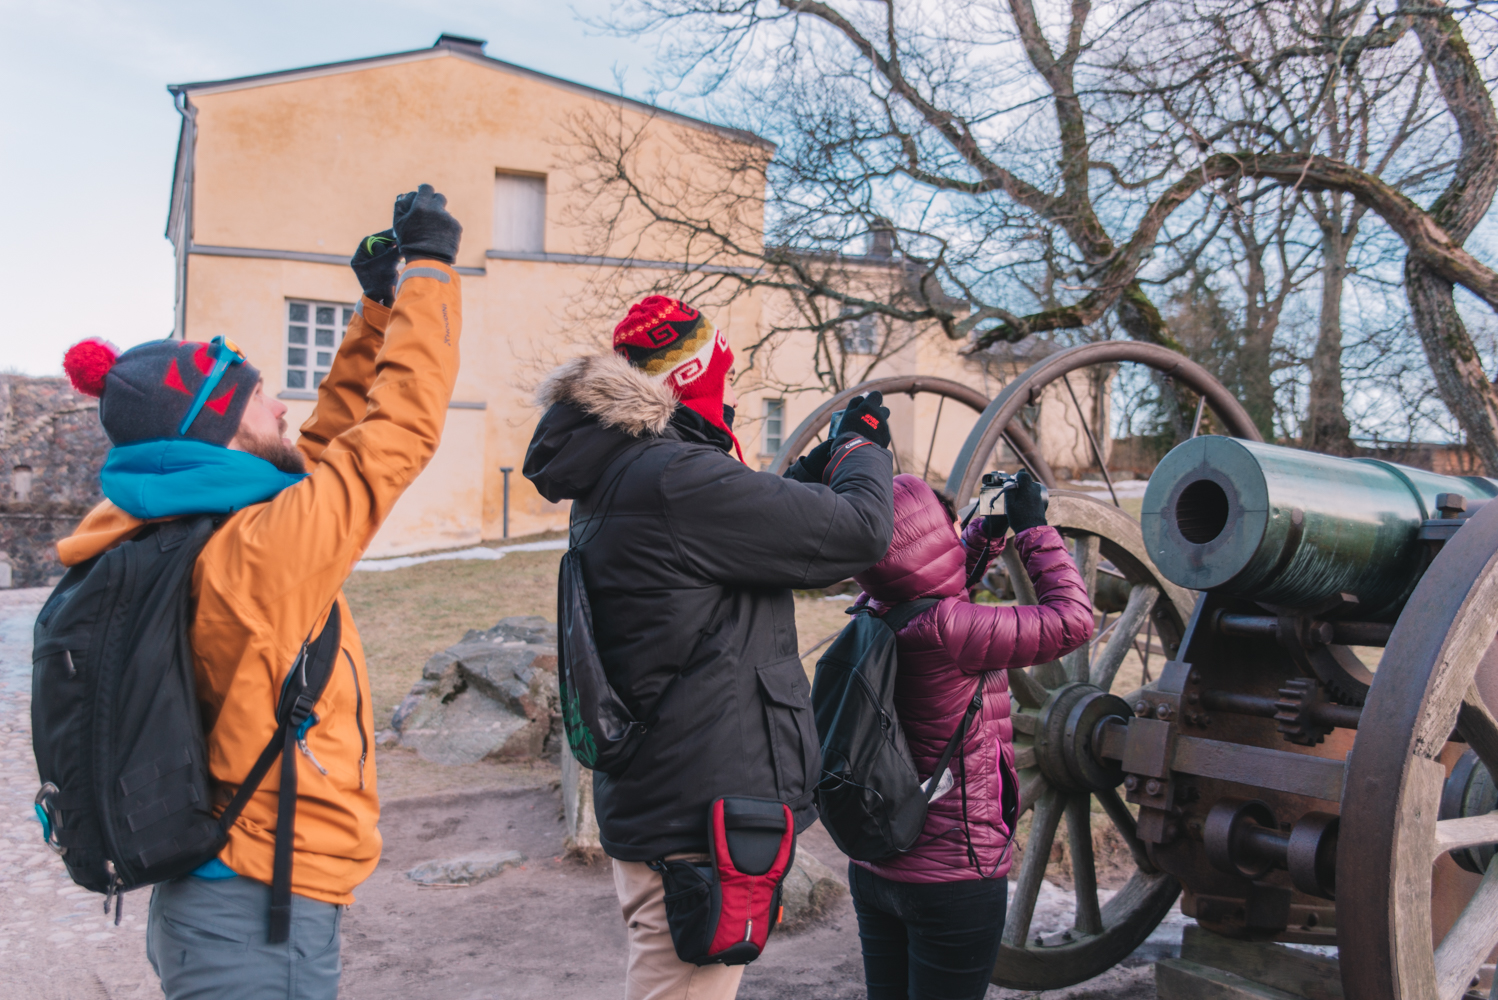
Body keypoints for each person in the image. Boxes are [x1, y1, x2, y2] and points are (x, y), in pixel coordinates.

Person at [55, 185, 464, 999]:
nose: (283, 404)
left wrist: (376, 316)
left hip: (221, 891)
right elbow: (393, 434)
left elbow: (311, 446)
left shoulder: (179, 523)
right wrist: (431, 272)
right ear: (217, 431)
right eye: (258, 397)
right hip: (254, 908)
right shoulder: (256, 553)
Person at [523, 295, 895, 1000]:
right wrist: (864, 446)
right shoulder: (674, 478)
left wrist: (813, 471)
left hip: (672, 798)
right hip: (697, 822)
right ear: (696, 379)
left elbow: (733, 541)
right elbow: (860, 532)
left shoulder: (633, 473)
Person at [846, 472, 1094, 1000]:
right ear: (930, 535)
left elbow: (924, 577)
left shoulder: (871, 609)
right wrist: (1032, 529)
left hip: (875, 865)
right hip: (954, 876)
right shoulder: (953, 630)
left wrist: (986, 530)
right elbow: (1072, 621)